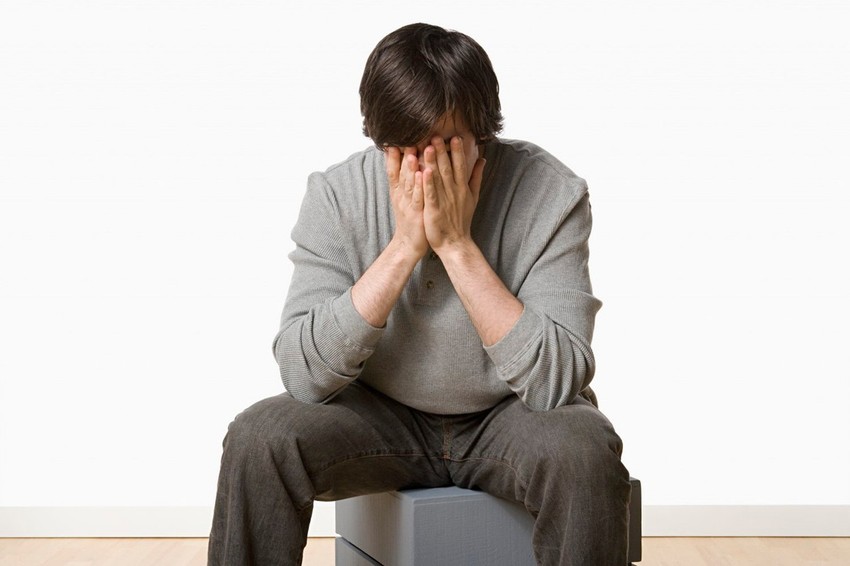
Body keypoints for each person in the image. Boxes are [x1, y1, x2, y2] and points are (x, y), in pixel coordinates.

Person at [208, 22, 631, 566]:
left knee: (583, 449)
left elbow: (557, 382)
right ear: (381, 141)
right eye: (407, 149)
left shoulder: (552, 192)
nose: (428, 170)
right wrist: (404, 247)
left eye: (447, 147)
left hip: (509, 414)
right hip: (378, 415)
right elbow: (302, 373)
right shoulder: (337, 194)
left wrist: (456, 246)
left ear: (483, 133)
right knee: (258, 437)